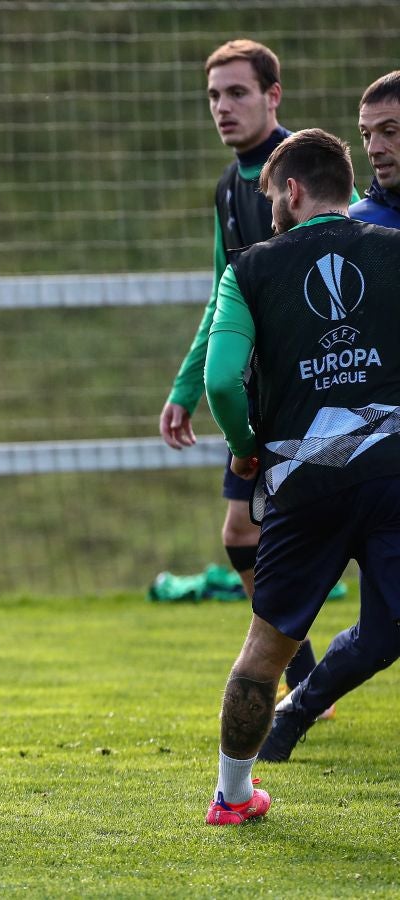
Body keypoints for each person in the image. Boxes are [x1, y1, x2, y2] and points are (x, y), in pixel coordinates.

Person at [200, 127, 400, 825]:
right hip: (393, 475)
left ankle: (231, 797)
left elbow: (221, 380)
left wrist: (246, 445)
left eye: (271, 198)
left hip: (301, 480)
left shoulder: (250, 269)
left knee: (265, 644)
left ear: (290, 191)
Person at [158, 39, 322, 695]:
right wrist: (185, 386)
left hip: (317, 390)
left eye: (237, 93)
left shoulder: (305, 169)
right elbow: (223, 296)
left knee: (321, 531)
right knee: (243, 533)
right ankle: (305, 681)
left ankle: (306, 681)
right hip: (259, 395)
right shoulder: (230, 185)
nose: (223, 108)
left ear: (272, 95)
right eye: (214, 96)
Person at [259, 70, 400, 761]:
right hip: (366, 464)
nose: (377, 147)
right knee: (386, 632)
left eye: (391, 131)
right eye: (368, 133)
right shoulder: (358, 235)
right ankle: (296, 708)